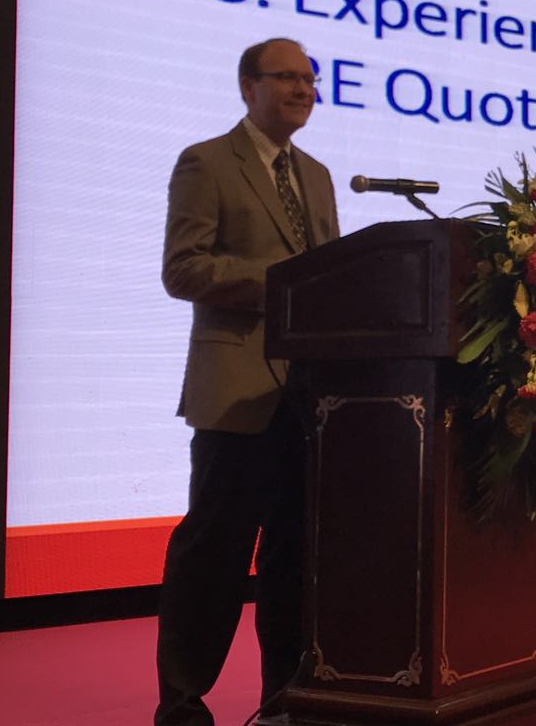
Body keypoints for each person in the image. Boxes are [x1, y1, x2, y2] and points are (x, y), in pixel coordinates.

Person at [155, 38, 340, 726]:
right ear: (247, 86)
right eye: (286, 77)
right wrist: (283, 284)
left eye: (310, 80)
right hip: (236, 391)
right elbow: (184, 269)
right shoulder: (207, 162)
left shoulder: (317, 175)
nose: (302, 90)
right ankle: (182, 705)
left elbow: (331, 273)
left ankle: (284, 703)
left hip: (307, 400)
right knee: (214, 554)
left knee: (293, 559)